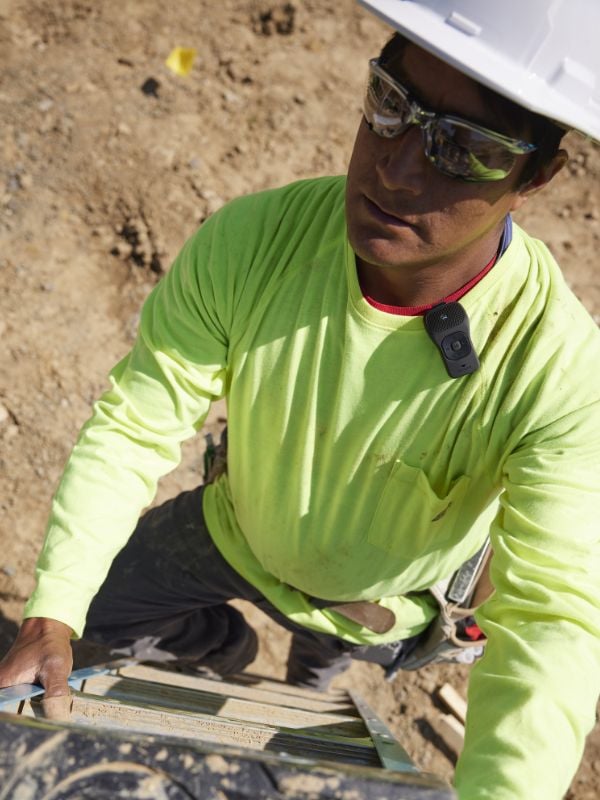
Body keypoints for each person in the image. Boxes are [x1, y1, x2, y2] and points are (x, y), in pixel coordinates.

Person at [1, 1, 599, 798]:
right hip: (236, 528)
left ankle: (296, 689)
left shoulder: (555, 370)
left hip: (379, 605)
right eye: (390, 105)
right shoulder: (253, 244)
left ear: (536, 176)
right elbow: (136, 424)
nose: (396, 167)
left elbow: (549, 620)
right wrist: (54, 612)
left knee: (313, 721)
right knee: (92, 619)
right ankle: (220, 648)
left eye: (465, 149)